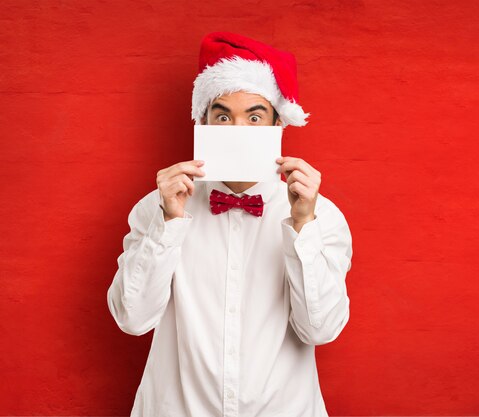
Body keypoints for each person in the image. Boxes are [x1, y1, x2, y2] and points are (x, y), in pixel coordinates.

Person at [106, 32, 353, 417]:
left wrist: (302, 226)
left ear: (278, 126)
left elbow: (319, 329)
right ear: (202, 122)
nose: (237, 129)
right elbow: (132, 319)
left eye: (254, 117)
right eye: (222, 116)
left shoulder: (324, 216)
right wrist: (168, 222)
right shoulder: (155, 208)